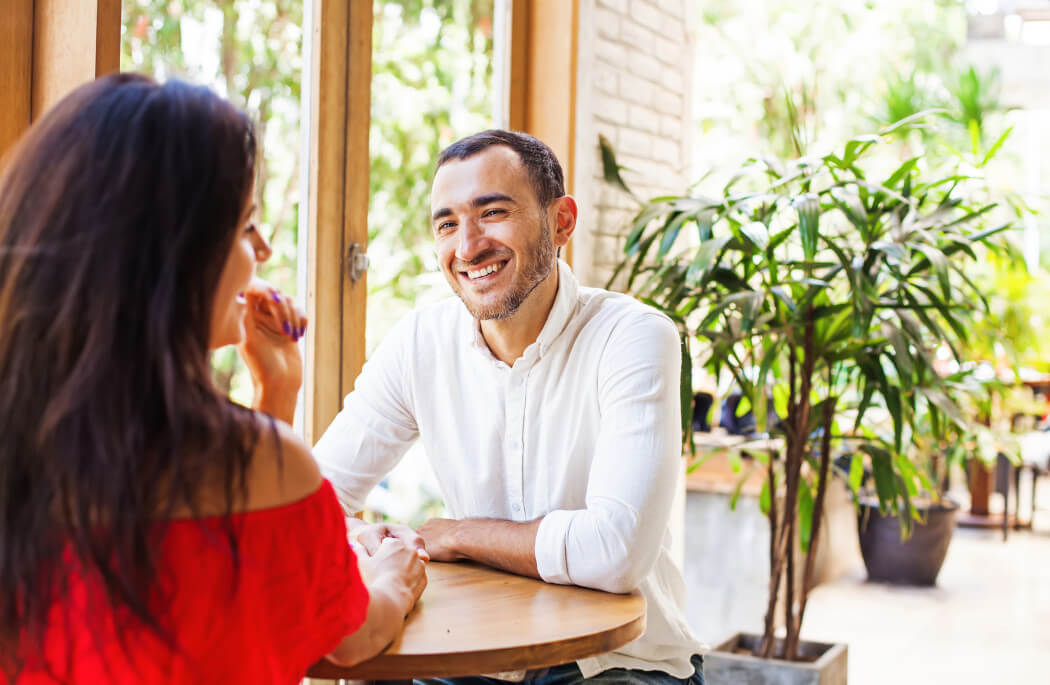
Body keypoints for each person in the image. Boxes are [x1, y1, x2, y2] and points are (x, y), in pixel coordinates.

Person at [0, 73, 426, 684]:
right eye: (245, 224)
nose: (265, 252)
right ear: (176, 255)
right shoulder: (260, 462)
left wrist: (274, 397)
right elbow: (350, 641)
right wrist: (394, 577)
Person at [313, 130, 706, 683]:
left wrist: (456, 533)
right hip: (474, 655)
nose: (468, 247)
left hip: (618, 664)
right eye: (447, 224)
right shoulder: (419, 341)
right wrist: (373, 540)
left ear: (562, 221)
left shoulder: (634, 336)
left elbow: (616, 552)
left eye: (492, 212)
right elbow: (315, 503)